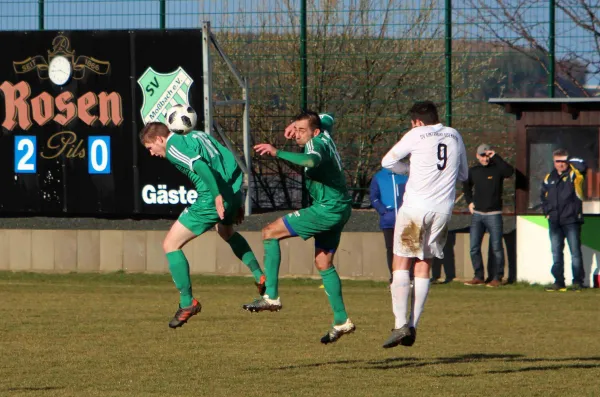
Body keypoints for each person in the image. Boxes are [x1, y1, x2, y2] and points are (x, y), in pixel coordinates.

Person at [242, 111, 355, 344]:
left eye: (303, 131)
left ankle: (271, 296)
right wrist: (295, 124)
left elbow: (311, 161)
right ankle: (342, 320)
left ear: (314, 132)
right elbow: (328, 117)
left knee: (269, 232)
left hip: (327, 208)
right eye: (298, 129)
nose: (298, 135)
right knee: (323, 262)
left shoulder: (316, 143)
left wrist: (277, 152)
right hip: (341, 206)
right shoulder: (323, 129)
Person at [139, 122, 265, 329]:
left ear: (159, 139)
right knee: (225, 231)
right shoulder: (199, 136)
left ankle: (187, 303)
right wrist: (236, 198)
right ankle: (259, 275)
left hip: (211, 198)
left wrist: (216, 196)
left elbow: (200, 166)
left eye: (150, 147)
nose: (152, 153)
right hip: (231, 191)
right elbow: (225, 161)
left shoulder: (173, 147)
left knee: (170, 244)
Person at [380, 100, 468, 348]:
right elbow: (463, 175)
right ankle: (414, 325)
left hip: (415, 211)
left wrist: (408, 169)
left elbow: (387, 162)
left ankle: (400, 325)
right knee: (424, 264)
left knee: (401, 261)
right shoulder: (454, 134)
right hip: (442, 211)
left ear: (417, 121)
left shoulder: (416, 133)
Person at [462, 144, 514, 288]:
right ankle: (478, 276)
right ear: (477, 156)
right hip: (477, 215)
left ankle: (497, 277)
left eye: (487, 155)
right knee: (474, 247)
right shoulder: (474, 171)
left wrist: (495, 156)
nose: (485, 159)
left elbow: (509, 172)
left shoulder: (497, 169)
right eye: (482, 156)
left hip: (494, 214)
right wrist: (469, 202)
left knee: (496, 247)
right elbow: (466, 186)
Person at [541, 148, 587, 292]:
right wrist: (547, 212)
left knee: (575, 252)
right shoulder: (549, 177)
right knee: (556, 252)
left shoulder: (575, 174)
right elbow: (543, 197)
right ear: (553, 162)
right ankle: (559, 282)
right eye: (557, 161)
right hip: (554, 221)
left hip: (571, 219)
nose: (560, 164)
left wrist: (570, 159)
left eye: (563, 161)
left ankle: (577, 282)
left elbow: (583, 165)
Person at [369, 167, 408, 283]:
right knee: (391, 249)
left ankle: (409, 277)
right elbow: (374, 197)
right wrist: (384, 211)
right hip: (389, 221)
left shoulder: (406, 174)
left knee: (407, 248)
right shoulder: (379, 177)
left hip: (406, 219)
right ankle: (394, 278)